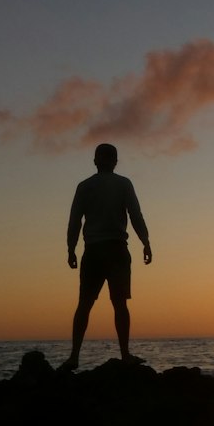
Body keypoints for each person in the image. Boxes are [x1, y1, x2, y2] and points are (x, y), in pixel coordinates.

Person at [59, 143, 152, 371]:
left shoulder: (85, 186)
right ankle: (125, 354)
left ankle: (74, 357)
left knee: (84, 304)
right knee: (119, 304)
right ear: (115, 161)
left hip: (93, 250)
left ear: (95, 161)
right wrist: (146, 242)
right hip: (117, 249)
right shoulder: (123, 184)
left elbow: (74, 221)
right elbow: (135, 215)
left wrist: (71, 248)